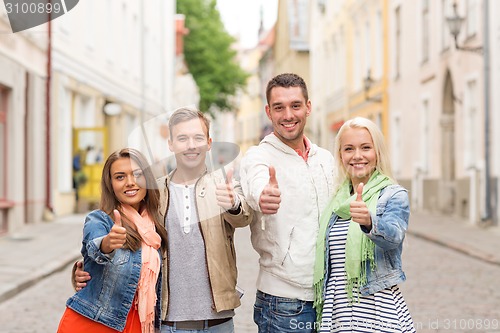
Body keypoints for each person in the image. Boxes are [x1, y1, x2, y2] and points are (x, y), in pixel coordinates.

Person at [75, 107, 253, 333]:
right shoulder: (153, 192)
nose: (191, 145)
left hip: (219, 321)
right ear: (171, 144)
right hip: (168, 322)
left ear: (209, 142)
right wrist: (86, 271)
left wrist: (233, 204)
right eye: (182, 138)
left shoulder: (224, 185)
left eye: (198, 138)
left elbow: (245, 216)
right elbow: (120, 232)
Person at [240, 73, 335, 332]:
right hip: (284, 302)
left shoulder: (325, 159)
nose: (288, 115)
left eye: (295, 105)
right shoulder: (258, 156)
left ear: (308, 107)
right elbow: (255, 184)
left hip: (330, 298)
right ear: (269, 112)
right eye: (279, 107)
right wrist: (262, 197)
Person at [313, 117, 416, 332]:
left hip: (376, 309)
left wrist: (370, 222)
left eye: (366, 148)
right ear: (341, 156)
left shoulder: (393, 194)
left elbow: (395, 236)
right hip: (338, 310)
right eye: (349, 149)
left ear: (377, 152)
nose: (357, 155)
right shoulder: (336, 200)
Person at [57, 148, 169, 333]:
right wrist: (108, 243)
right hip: (94, 323)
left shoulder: (157, 224)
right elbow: (94, 247)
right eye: (120, 177)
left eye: (137, 175)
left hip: (139, 324)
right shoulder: (99, 220)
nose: (130, 183)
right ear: (110, 184)